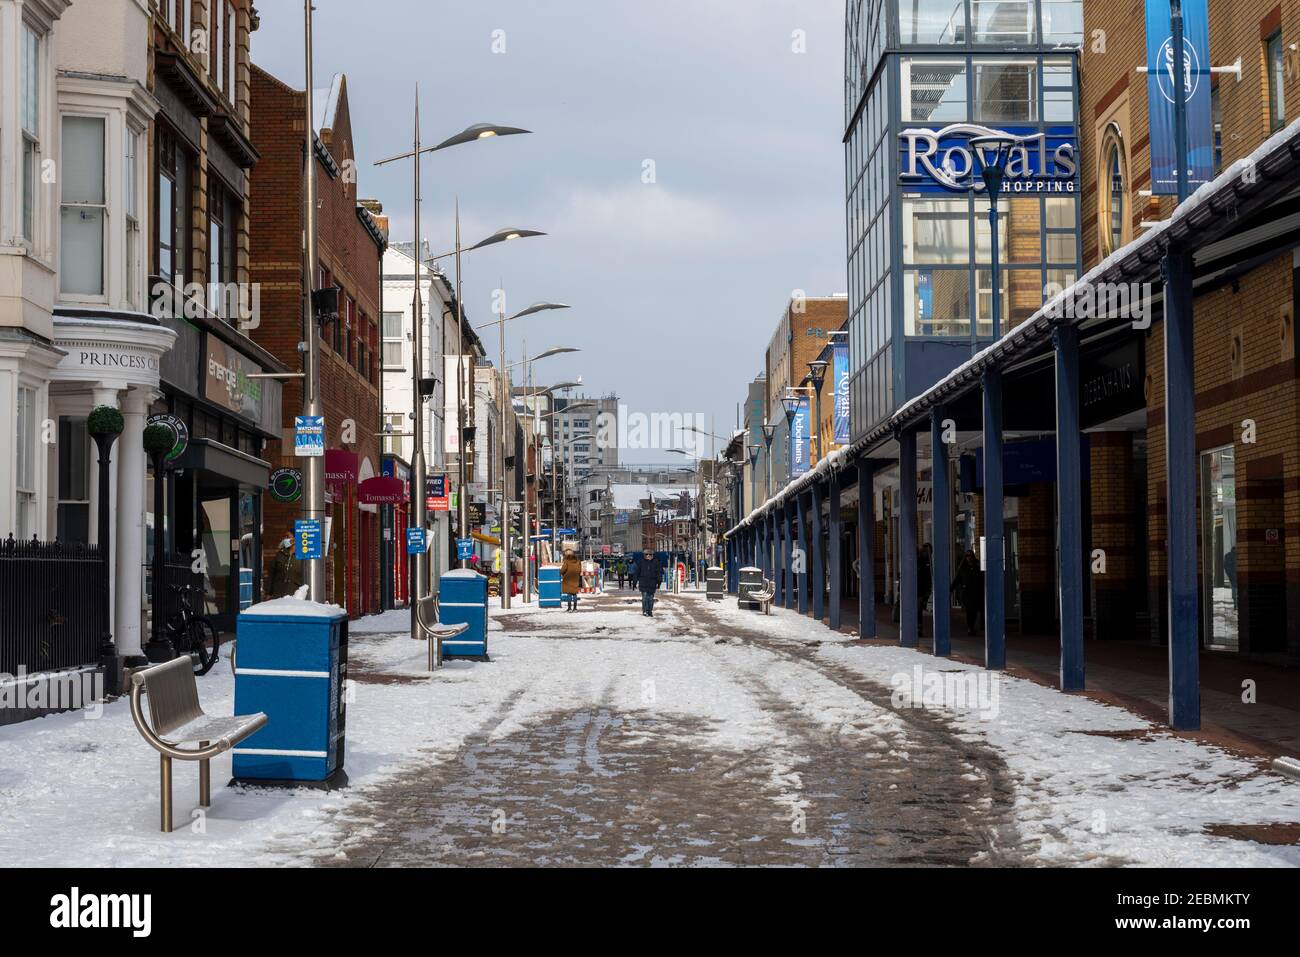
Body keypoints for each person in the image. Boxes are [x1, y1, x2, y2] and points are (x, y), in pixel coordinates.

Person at [951, 548, 984, 636]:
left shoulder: (977, 567)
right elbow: (957, 579)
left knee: (975, 611)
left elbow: (982, 578)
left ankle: (972, 626)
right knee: (969, 611)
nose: (969, 558)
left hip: (976, 593)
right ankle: (970, 628)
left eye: (970, 556)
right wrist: (951, 589)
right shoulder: (963, 568)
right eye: (967, 556)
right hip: (967, 593)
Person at [266, 532, 302, 598]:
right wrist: (268, 593)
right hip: (278, 594)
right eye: (285, 537)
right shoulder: (280, 554)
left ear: (295, 539)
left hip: (295, 595)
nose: (285, 539)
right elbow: (271, 575)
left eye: (288, 537)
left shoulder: (302, 556)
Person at [635, 548, 663, 617]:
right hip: (643, 583)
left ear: (652, 555)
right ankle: (645, 611)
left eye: (650, 554)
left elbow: (659, 573)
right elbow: (637, 573)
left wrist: (658, 582)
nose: (648, 556)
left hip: (652, 583)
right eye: (646, 554)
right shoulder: (641, 562)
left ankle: (649, 611)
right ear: (644, 555)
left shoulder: (656, 562)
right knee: (644, 598)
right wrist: (634, 582)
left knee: (650, 599)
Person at [917, 543, 932, 638]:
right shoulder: (922, 561)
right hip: (920, 589)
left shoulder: (927, 561)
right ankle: (918, 628)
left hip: (922, 589)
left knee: (919, 610)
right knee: (918, 609)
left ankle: (919, 628)